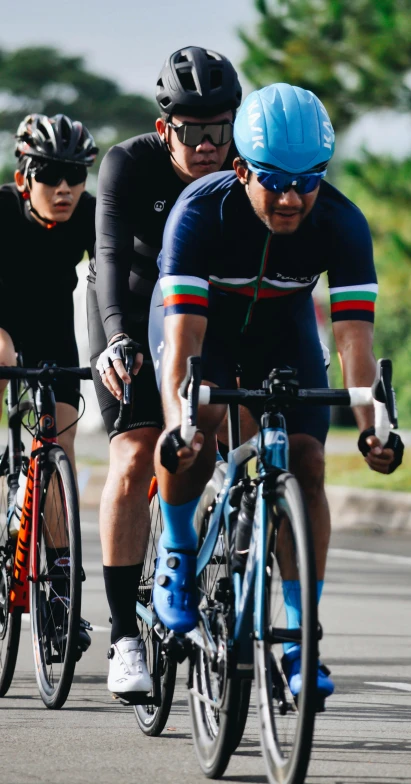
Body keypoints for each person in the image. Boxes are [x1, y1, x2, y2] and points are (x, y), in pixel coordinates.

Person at [149, 83, 404, 705]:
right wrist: (178, 427)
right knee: (201, 422)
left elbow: (354, 345)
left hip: (283, 333)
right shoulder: (198, 211)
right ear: (240, 169)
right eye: (273, 180)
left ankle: (300, 640)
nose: (292, 197)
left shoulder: (341, 221)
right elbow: (182, 345)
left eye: (308, 180)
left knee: (310, 464)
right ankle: (180, 554)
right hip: (205, 329)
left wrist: (374, 424)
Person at [88, 46, 242, 694]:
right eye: (190, 131)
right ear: (164, 129)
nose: (206, 144)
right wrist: (118, 337)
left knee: (227, 437)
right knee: (134, 456)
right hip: (130, 304)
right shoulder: (130, 164)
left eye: (218, 128)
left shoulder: (249, 170)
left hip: (209, 312)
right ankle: (125, 636)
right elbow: (108, 252)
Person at [0, 112, 98, 654]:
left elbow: (109, 284)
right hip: (2, 328)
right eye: (49, 175)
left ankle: (59, 587)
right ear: (23, 177)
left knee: (58, 449)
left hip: (54, 338)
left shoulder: (87, 215)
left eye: (75, 175)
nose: (63, 188)